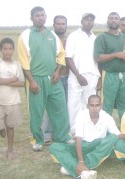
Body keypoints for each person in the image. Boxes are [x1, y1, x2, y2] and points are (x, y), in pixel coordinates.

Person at [18, 6, 72, 151]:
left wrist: (57, 71)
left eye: (42, 15)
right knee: (36, 111)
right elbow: (23, 61)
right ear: (32, 18)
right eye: (37, 15)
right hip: (35, 79)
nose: (40, 18)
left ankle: (63, 136)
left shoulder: (52, 35)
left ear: (46, 16)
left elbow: (61, 54)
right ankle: (37, 140)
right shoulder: (25, 35)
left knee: (60, 108)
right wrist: (32, 81)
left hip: (53, 78)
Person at [49, 95, 125, 178]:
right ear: (87, 106)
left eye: (97, 105)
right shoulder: (81, 115)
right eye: (92, 105)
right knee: (54, 147)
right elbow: (78, 139)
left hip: (99, 147)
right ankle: (81, 170)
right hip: (83, 146)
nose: (94, 108)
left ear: (101, 106)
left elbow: (117, 135)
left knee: (112, 138)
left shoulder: (106, 117)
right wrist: (80, 161)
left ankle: (75, 167)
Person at [66, 13, 100, 136]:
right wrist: (78, 76)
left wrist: (99, 77)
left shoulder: (96, 38)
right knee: (73, 105)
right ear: (82, 21)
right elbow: (68, 58)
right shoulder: (73, 36)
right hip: (77, 76)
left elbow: (98, 59)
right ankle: (73, 131)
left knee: (89, 104)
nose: (89, 22)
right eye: (87, 20)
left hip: (92, 76)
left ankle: (87, 129)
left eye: (92, 20)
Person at [94, 12, 125, 119]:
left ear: (119, 22)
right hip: (109, 75)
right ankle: (105, 130)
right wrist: (116, 55)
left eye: (116, 18)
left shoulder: (124, 37)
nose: (113, 20)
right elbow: (97, 58)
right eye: (111, 18)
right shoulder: (102, 38)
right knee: (107, 104)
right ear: (107, 21)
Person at [0, 38, 24, 160]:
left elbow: (22, 83)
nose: (7, 51)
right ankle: (1, 130)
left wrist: (5, 82)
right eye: (5, 49)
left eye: (10, 49)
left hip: (13, 101)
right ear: (0, 50)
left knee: (10, 127)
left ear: (13, 50)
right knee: (0, 127)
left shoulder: (17, 65)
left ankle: (10, 150)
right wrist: (11, 80)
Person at [43, 15, 69, 145]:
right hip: (53, 78)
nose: (60, 26)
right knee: (51, 107)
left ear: (66, 25)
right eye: (58, 23)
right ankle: (47, 134)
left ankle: (63, 133)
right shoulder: (49, 38)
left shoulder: (69, 39)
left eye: (63, 23)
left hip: (68, 77)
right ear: (54, 25)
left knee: (65, 107)